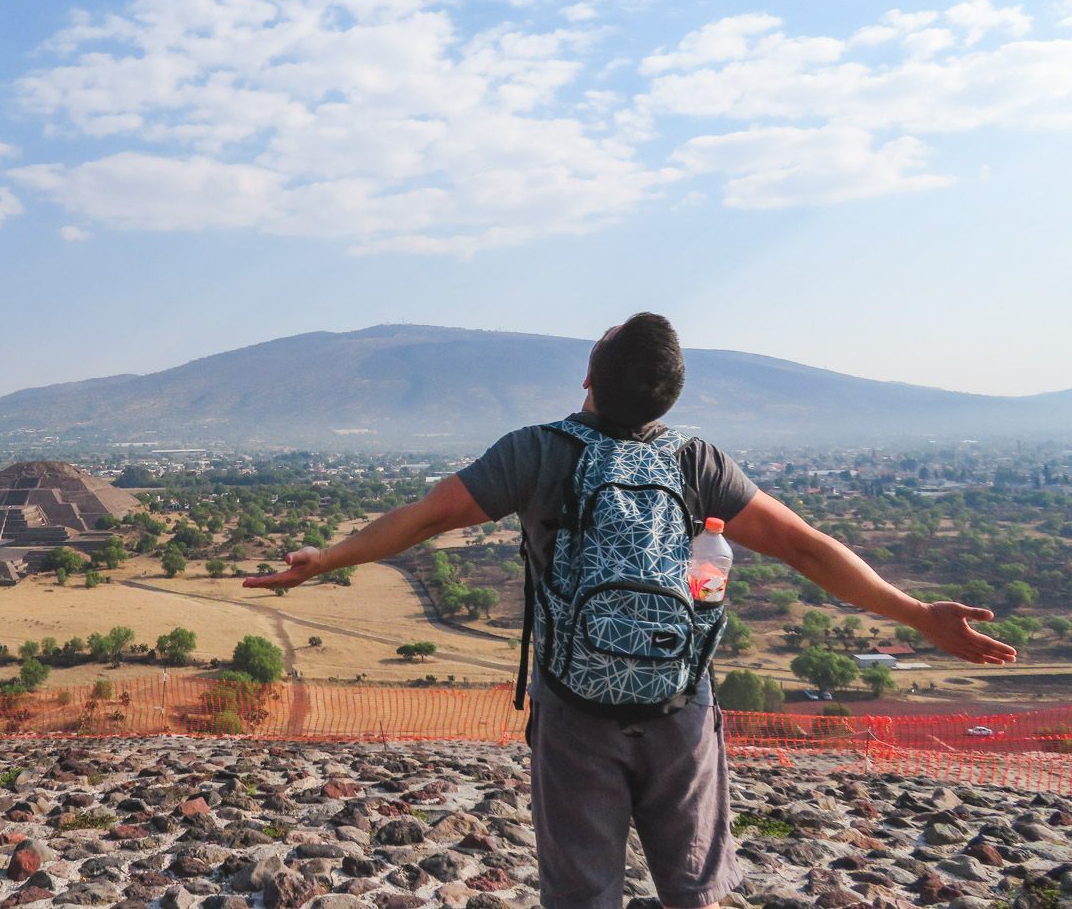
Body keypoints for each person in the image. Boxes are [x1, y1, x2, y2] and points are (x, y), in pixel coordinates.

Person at [244, 312, 1015, 909]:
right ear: (670, 396)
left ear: (588, 374)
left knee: (583, 895)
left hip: (573, 712)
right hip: (680, 711)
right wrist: (916, 614)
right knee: (698, 891)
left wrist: (327, 561)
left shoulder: (538, 452)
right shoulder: (695, 461)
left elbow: (424, 518)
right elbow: (806, 548)